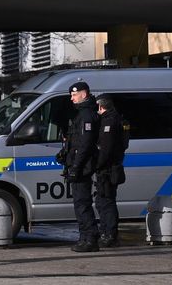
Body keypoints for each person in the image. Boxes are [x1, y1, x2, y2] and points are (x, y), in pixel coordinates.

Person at [60, 81, 100, 252]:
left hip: (83, 166)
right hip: (77, 164)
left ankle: (90, 238)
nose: (72, 98)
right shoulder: (81, 114)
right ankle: (84, 237)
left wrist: (76, 166)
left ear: (84, 94)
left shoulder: (86, 115)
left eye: (74, 95)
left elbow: (85, 145)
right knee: (79, 203)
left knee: (82, 203)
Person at [94, 95, 126, 248]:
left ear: (101, 107)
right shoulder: (116, 119)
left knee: (106, 203)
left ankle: (109, 235)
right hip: (112, 167)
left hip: (107, 169)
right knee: (105, 201)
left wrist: (97, 165)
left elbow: (105, 150)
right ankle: (108, 232)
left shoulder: (109, 121)